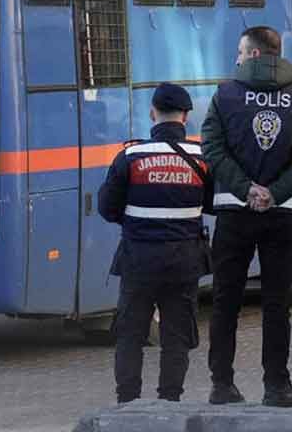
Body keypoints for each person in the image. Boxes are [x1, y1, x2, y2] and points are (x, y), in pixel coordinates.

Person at [201, 26, 292, 407]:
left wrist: (245, 189)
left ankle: (222, 385)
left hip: (234, 213)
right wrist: (276, 192)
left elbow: (212, 147)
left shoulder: (225, 96)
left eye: (240, 52)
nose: (237, 59)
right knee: (277, 302)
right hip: (284, 214)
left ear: (254, 55)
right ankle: (278, 386)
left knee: (226, 300)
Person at [96, 84, 207, 404]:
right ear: (186, 116)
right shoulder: (202, 159)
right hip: (185, 259)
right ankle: (170, 401)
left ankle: (128, 402)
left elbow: (107, 209)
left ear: (152, 113)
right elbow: (212, 202)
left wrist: (139, 223)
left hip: (138, 259)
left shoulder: (130, 156)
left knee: (130, 334)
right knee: (176, 336)